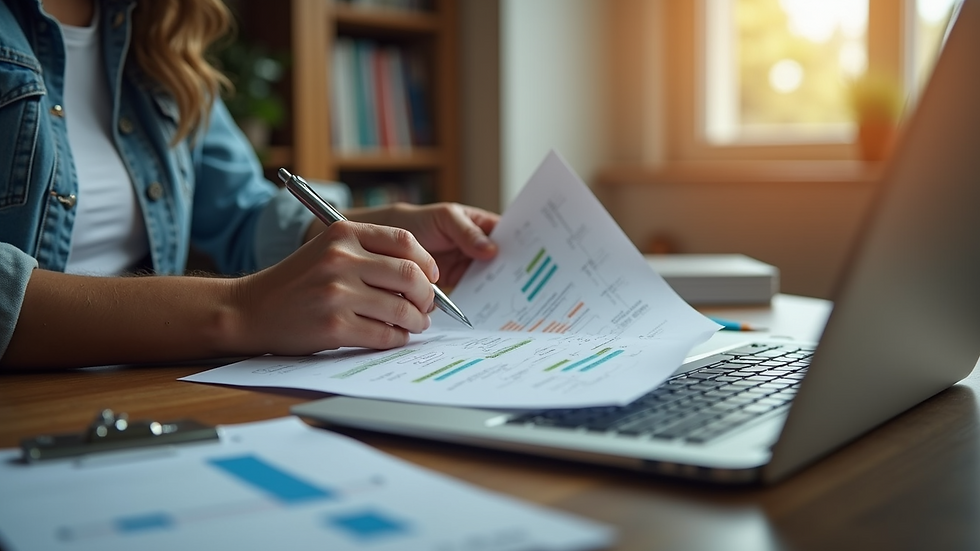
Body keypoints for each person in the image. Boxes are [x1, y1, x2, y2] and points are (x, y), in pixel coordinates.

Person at [0, 0, 499, 369]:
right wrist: (240, 310)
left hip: (149, 388)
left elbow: (240, 213)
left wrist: (373, 229)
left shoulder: (158, 31)